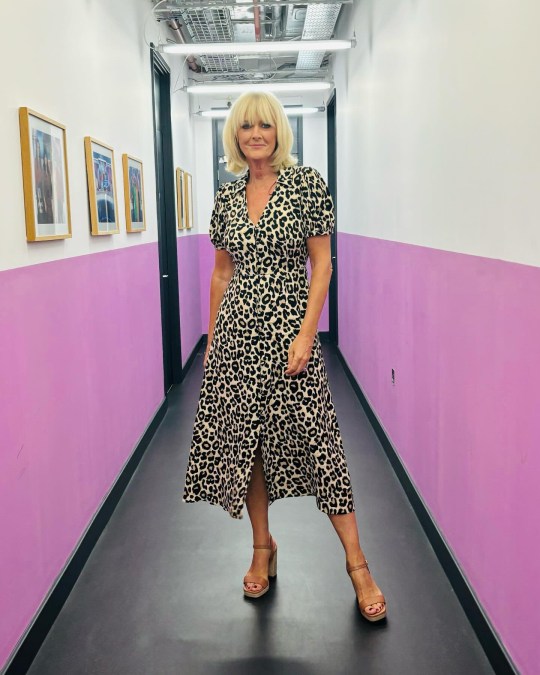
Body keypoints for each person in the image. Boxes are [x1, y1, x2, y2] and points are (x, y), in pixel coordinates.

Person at [183, 92, 386, 621]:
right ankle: (262, 547)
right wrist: (211, 340)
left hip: (290, 338)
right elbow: (221, 273)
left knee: (321, 446)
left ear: (279, 132)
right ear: (235, 135)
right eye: (246, 126)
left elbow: (322, 266)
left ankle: (357, 564)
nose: (255, 134)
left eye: (265, 125)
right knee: (248, 448)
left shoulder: (306, 185)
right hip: (235, 342)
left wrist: (306, 332)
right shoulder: (227, 198)